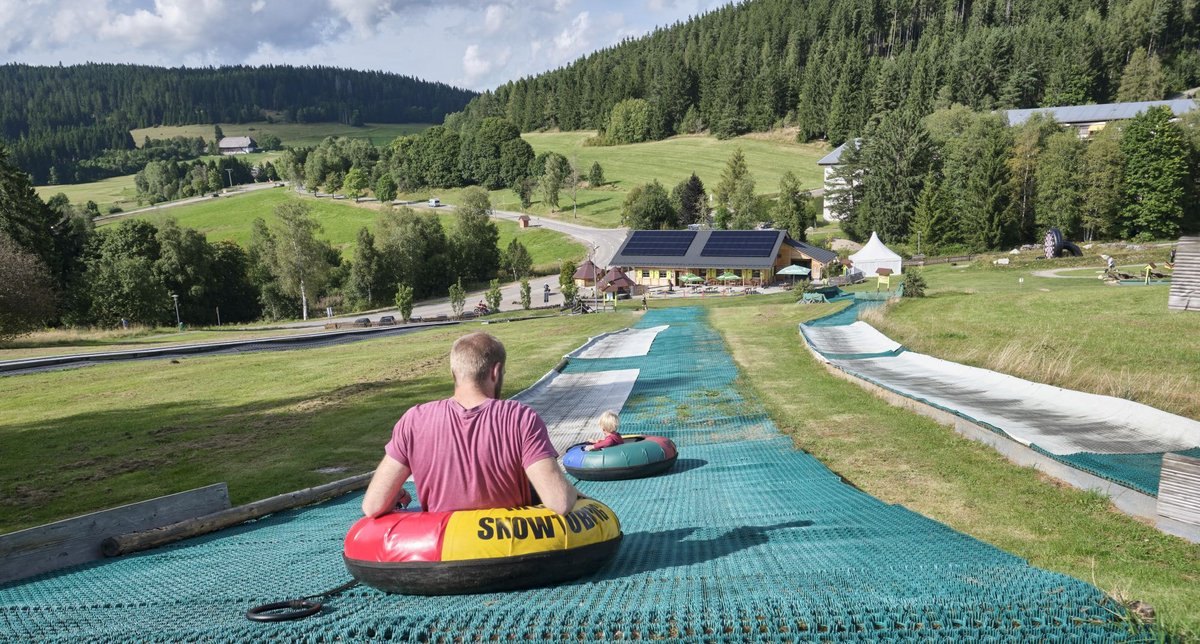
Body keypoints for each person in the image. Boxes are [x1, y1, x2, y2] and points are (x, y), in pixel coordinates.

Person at [362, 332, 581, 517]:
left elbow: (372, 506)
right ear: (495, 372)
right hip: (510, 552)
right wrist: (574, 494)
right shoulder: (520, 418)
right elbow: (559, 501)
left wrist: (398, 495)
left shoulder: (414, 419)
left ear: (454, 373)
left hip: (441, 557)